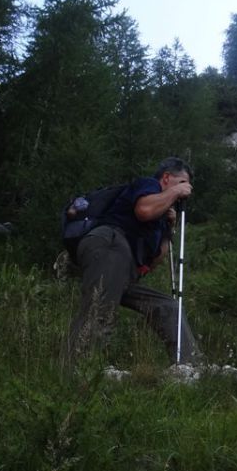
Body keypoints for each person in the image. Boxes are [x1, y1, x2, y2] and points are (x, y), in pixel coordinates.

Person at [65, 157, 201, 367]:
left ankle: (190, 366)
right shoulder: (148, 185)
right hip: (109, 244)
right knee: (101, 307)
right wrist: (174, 192)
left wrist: (169, 230)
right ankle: (79, 368)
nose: (187, 189)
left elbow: (154, 261)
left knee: (168, 307)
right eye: (183, 183)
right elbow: (143, 211)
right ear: (166, 178)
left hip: (126, 268)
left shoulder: (162, 214)